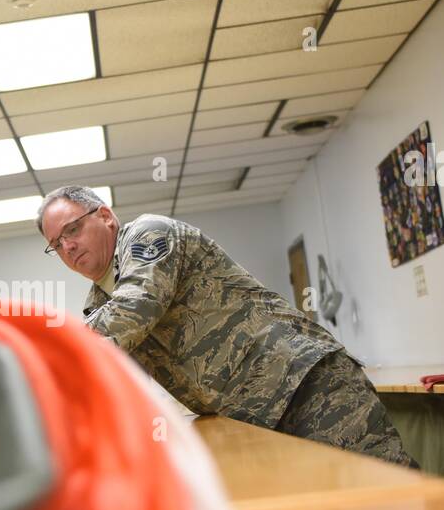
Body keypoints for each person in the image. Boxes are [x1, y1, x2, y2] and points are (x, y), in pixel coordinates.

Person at [37, 185, 419, 468]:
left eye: (72, 230)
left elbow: (136, 307)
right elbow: (122, 380)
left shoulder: (146, 235)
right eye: (56, 244)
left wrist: (39, 353)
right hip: (254, 417)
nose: (67, 247)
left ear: (105, 216)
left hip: (305, 384)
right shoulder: (96, 305)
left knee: (392, 501)